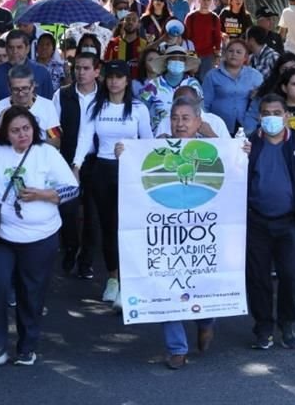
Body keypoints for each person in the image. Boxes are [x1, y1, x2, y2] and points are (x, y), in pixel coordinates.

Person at [0, 106, 78, 368]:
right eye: (14, 130)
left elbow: (72, 189)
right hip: (2, 235)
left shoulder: (46, 153)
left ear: (34, 129)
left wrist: (43, 195)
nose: (22, 135)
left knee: (31, 293)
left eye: (26, 128)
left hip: (40, 237)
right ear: (6, 132)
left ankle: (27, 346)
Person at [72, 60, 153, 309]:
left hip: (130, 173)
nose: (114, 81)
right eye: (110, 77)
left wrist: (130, 151)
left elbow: (148, 142)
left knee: (128, 227)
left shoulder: (139, 108)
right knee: (108, 227)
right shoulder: (96, 107)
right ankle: (113, 278)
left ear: (128, 80)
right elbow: (84, 137)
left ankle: (130, 283)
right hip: (102, 170)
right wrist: (76, 166)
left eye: (119, 77)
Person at [246, 93, 295, 350]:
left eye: (277, 113)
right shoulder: (248, 144)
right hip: (256, 220)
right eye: (266, 113)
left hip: (289, 221)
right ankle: (263, 327)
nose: (271, 118)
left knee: (290, 276)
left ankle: (287, 323)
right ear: (259, 117)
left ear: (287, 117)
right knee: (258, 278)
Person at [158, 97, 220, 369]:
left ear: (198, 122)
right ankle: (177, 349)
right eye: (175, 118)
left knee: (201, 283)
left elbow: (238, 166)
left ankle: (206, 322)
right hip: (166, 234)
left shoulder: (214, 151)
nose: (179, 123)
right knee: (165, 283)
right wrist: (125, 152)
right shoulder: (156, 148)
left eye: (185, 118)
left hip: (201, 233)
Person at [52, 52, 101, 279]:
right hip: (67, 158)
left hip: (97, 160)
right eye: (77, 68)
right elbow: (53, 128)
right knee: (68, 209)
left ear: (96, 71)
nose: (80, 72)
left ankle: (86, 261)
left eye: (85, 68)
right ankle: (71, 247)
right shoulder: (62, 95)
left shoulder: (105, 97)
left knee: (93, 213)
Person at [0, 29, 54, 130]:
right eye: (11, 47)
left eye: (19, 47)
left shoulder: (42, 73)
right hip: (4, 133)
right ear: (6, 48)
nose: (15, 52)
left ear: (27, 49)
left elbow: (49, 107)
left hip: (37, 134)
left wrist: (48, 141)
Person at [0, 63, 62, 148]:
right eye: (15, 89)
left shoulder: (47, 106)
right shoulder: (0, 107)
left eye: (25, 88)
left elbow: (55, 139)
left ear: (33, 86)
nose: (21, 94)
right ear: (9, 88)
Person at [202, 39, 264, 136]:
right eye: (230, 51)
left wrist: (256, 95)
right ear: (225, 54)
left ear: (245, 57)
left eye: (239, 52)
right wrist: (206, 122)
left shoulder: (255, 76)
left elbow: (263, 101)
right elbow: (205, 103)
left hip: (247, 126)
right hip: (218, 124)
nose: (234, 54)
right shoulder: (212, 75)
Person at [139, 46, 203, 131]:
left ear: (184, 63)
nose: (177, 62)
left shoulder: (193, 84)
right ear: (166, 63)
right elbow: (141, 113)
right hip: (158, 137)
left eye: (181, 60)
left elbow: (201, 111)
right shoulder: (152, 85)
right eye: (173, 59)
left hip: (187, 135)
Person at [184, 0, 223, 83]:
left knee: (205, 79)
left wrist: (217, 55)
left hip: (208, 54)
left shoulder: (214, 18)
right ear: (199, 0)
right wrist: (190, 55)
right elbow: (187, 38)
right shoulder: (191, 17)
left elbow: (217, 37)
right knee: (192, 78)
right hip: (193, 52)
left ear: (211, 2)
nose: (206, 2)